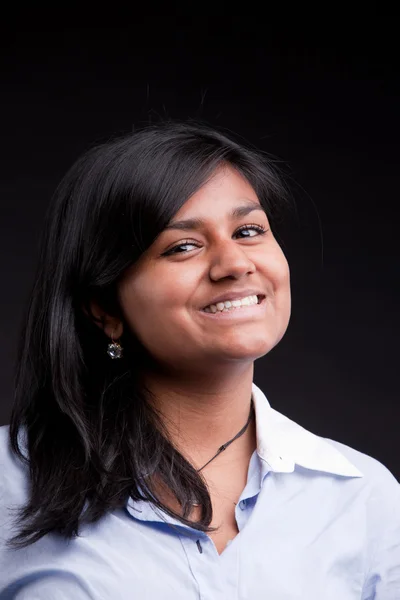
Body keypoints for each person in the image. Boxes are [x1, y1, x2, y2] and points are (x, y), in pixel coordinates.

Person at [0, 120, 399, 600]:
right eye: (183, 246)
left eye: (249, 230)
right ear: (104, 308)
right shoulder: (9, 482)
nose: (233, 264)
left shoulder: (364, 499)